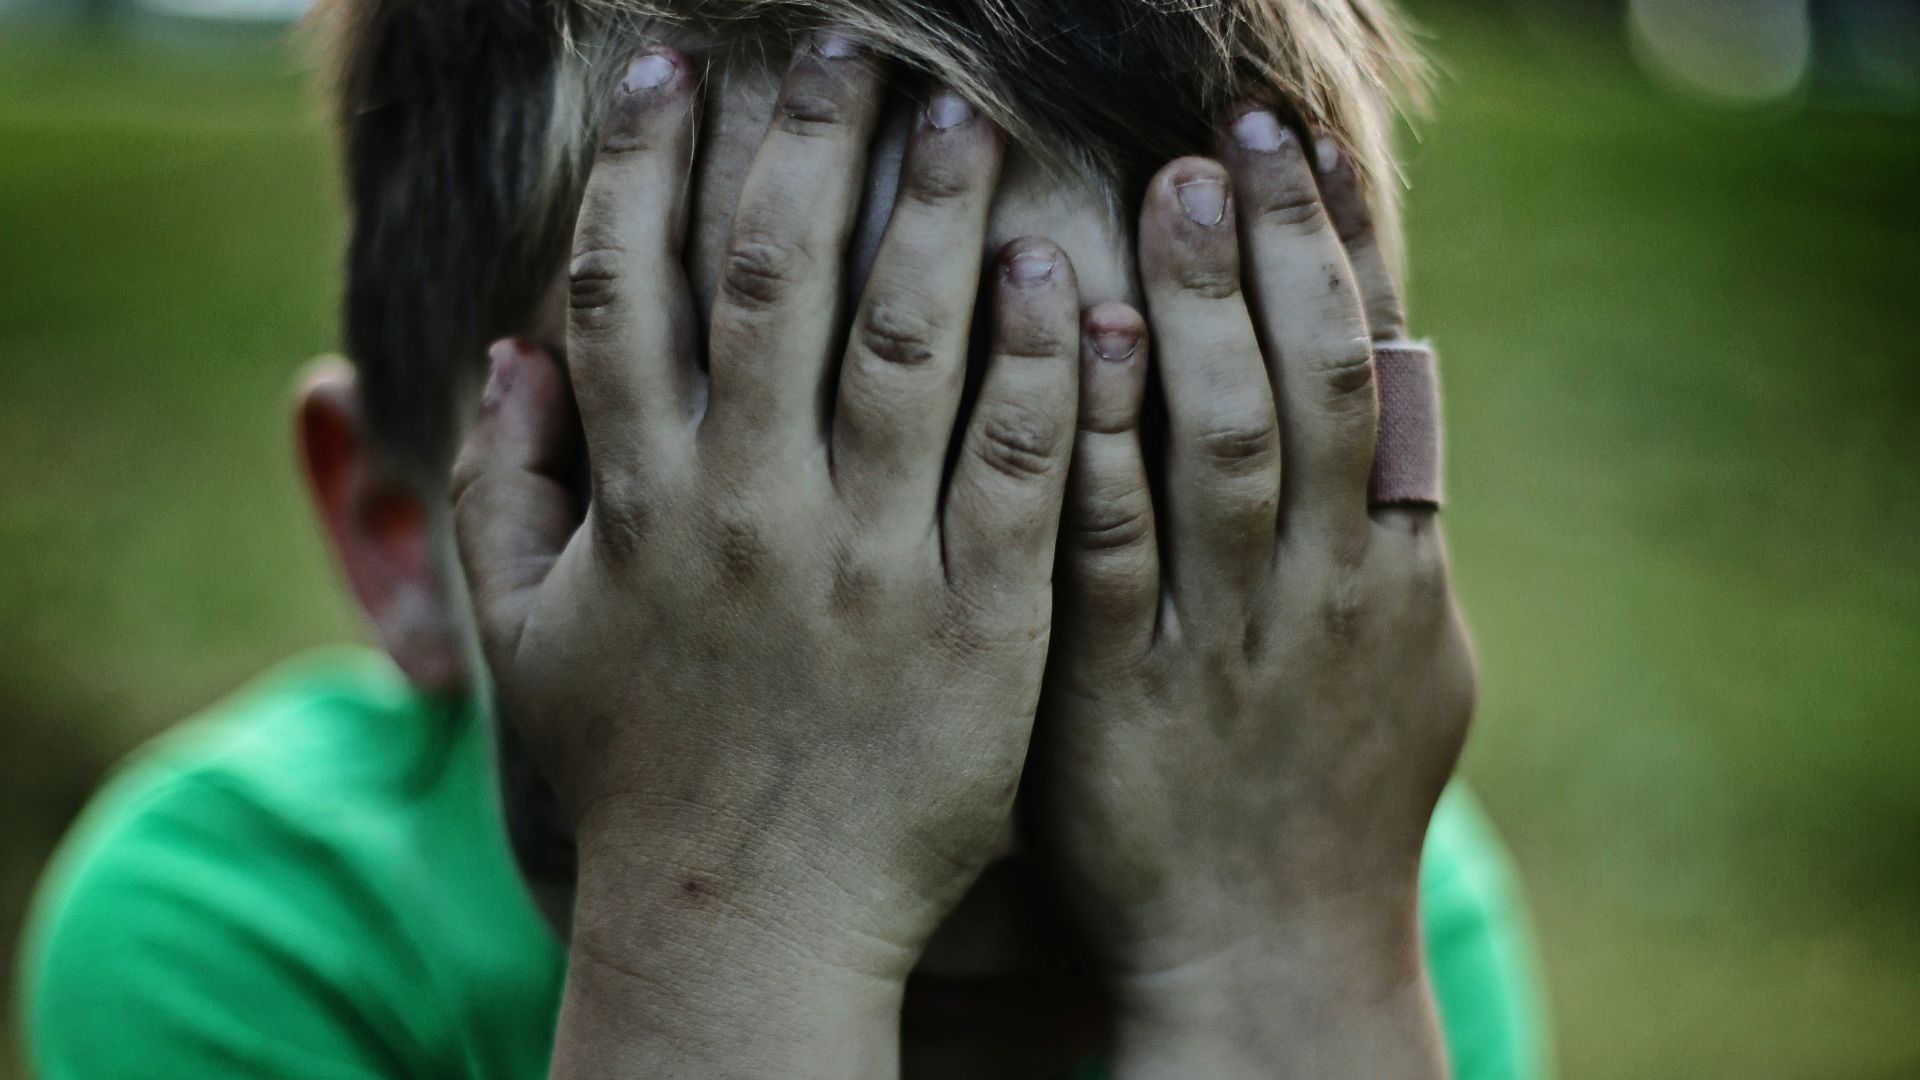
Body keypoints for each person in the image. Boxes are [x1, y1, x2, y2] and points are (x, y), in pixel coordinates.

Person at [17, 1, 1551, 1077]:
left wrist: (1273, 967)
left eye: (1122, 553)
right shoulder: (252, 935)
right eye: (754, 583)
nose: (960, 806)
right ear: (402, 537)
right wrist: (735, 920)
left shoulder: (1347, 891)